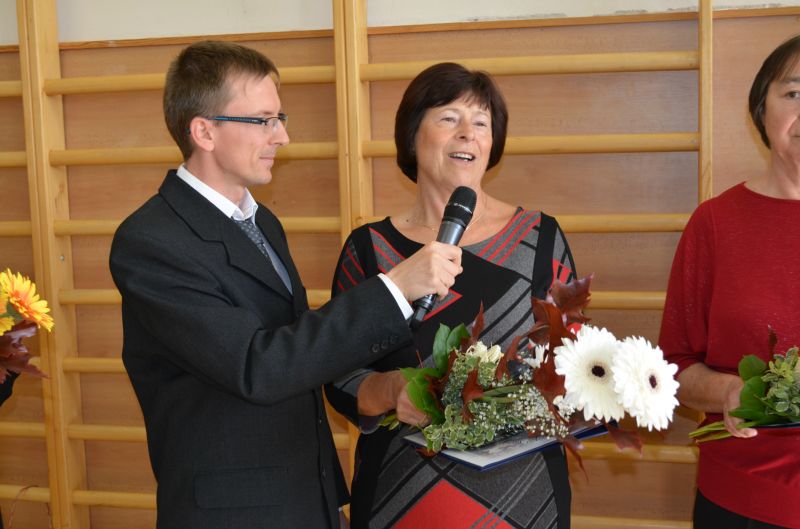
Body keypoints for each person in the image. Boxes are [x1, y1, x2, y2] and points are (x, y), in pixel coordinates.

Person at [109, 41, 462, 529]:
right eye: (263, 121)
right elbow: (258, 367)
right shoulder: (153, 241)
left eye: (280, 118)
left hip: (302, 500)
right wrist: (394, 289)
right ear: (204, 131)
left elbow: (297, 352)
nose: (282, 136)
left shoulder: (262, 223)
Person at [325, 62, 577, 529]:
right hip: (400, 498)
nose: (468, 134)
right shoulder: (370, 248)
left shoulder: (540, 238)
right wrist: (392, 390)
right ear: (411, 136)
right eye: (448, 118)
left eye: (481, 123)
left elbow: (572, 361)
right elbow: (339, 378)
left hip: (524, 500)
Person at [659, 35, 800, 529]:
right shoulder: (715, 223)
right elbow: (674, 366)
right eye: (794, 93)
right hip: (742, 502)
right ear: (762, 109)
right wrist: (728, 393)